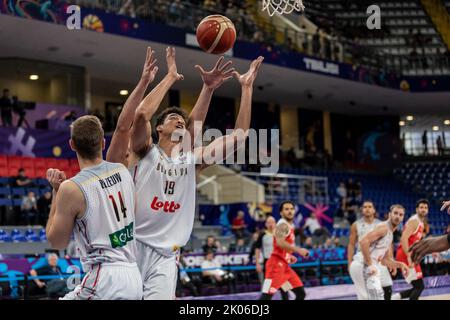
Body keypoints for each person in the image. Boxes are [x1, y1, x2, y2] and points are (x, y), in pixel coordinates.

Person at [106, 45, 263, 299]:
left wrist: (244, 89)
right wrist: (169, 78)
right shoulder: (143, 150)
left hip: (166, 256)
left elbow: (239, 136)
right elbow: (142, 114)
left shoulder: (192, 160)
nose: (179, 121)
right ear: (159, 129)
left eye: (182, 120)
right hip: (130, 247)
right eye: (172, 119)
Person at [45, 115, 142, 300]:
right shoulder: (123, 171)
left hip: (104, 278)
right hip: (133, 276)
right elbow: (133, 212)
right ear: (103, 143)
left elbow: (56, 242)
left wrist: (56, 192)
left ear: (72, 145)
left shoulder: (71, 187)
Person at [352, 204, 409, 300]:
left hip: (365, 266)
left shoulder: (390, 233)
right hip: (362, 265)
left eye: (400, 215)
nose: (397, 216)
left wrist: (400, 265)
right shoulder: (384, 227)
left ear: (403, 218)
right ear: (389, 214)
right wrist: (370, 265)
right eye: (395, 213)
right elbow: (363, 242)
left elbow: (384, 260)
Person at [260, 201, 310, 300]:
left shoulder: (290, 226)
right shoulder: (282, 225)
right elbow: (280, 242)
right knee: (266, 297)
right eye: (286, 209)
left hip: (285, 267)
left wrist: (288, 256)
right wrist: (299, 250)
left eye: (291, 209)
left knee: (301, 294)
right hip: (275, 266)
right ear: (281, 213)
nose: (290, 211)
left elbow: (282, 246)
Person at [348, 201, 393, 300]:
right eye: (365, 207)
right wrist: (349, 262)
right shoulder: (356, 225)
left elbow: (388, 244)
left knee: (387, 287)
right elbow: (351, 245)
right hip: (364, 260)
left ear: (374, 210)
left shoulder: (381, 224)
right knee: (366, 294)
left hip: (379, 260)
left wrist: (391, 260)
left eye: (370, 207)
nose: (367, 209)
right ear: (361, 210)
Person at [392, 199, 429, 300]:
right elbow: (403, 238)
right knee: (419, 286)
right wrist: (408, 256)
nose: (423, 209)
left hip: (410, 255)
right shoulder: (414, 221)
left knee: (418, 287)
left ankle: (395, 297)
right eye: (421, 207)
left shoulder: (421, 223)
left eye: (425, 208)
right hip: (405, 255)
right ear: (417, 209)